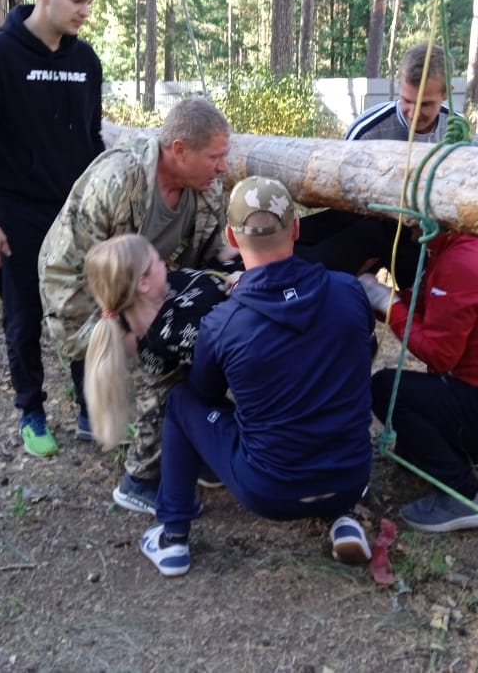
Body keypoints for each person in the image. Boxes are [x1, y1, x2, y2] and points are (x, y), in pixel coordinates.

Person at [138, 176, 375, 577]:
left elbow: (205, 393)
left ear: (231, 235)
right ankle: (341, 516)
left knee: (181, 402)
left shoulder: (224, 322)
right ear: (296, 229)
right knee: (332, 384)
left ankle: (172, 535)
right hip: (353, 476)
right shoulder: (348, 290)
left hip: (269, 490)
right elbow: (363, 350)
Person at [39, 96, 235, 510]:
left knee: (213, 334)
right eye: (215, 156)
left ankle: (193, 442)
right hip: (89, 301)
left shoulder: (207, 192)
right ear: (179, 149)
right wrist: (127, 329)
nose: (223, 167)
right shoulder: (118, 181)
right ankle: (141, 481)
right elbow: (77, 271)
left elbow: (207, 259)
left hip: (150, 290)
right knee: (164, 360)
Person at [0, 0, 104, 458]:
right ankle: (32, 411)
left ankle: (90, 409)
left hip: (75, 215)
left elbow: (91, 139)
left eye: (89, 2)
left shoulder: (86, 63)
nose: (85, 10)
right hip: (14, 214)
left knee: (86, 310)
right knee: (23, 316)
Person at [358, 233, 478, 533]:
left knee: (388, 388)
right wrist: (384, 298)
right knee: (412, 450)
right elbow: (434, 308)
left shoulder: (463, 262)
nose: (407, 222)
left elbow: (439, 355)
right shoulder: (461, 248)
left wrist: (388, 304)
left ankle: (462, 495)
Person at [295, 44, 461, 287]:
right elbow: (340, 200)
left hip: (427, 237)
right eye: (406, 100)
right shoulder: (368, 130)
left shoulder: (456, 130)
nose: (414, 112)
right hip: (368, 229)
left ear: (446, 94)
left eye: (425, 104)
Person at [81, 234, 228, 452]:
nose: (163, 263)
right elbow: (235, 330)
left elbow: (198, 280)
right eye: (157, 260)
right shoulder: (174, 334)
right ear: (143, 283)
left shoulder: (162, 297)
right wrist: (244, 282)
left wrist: (222, 260)